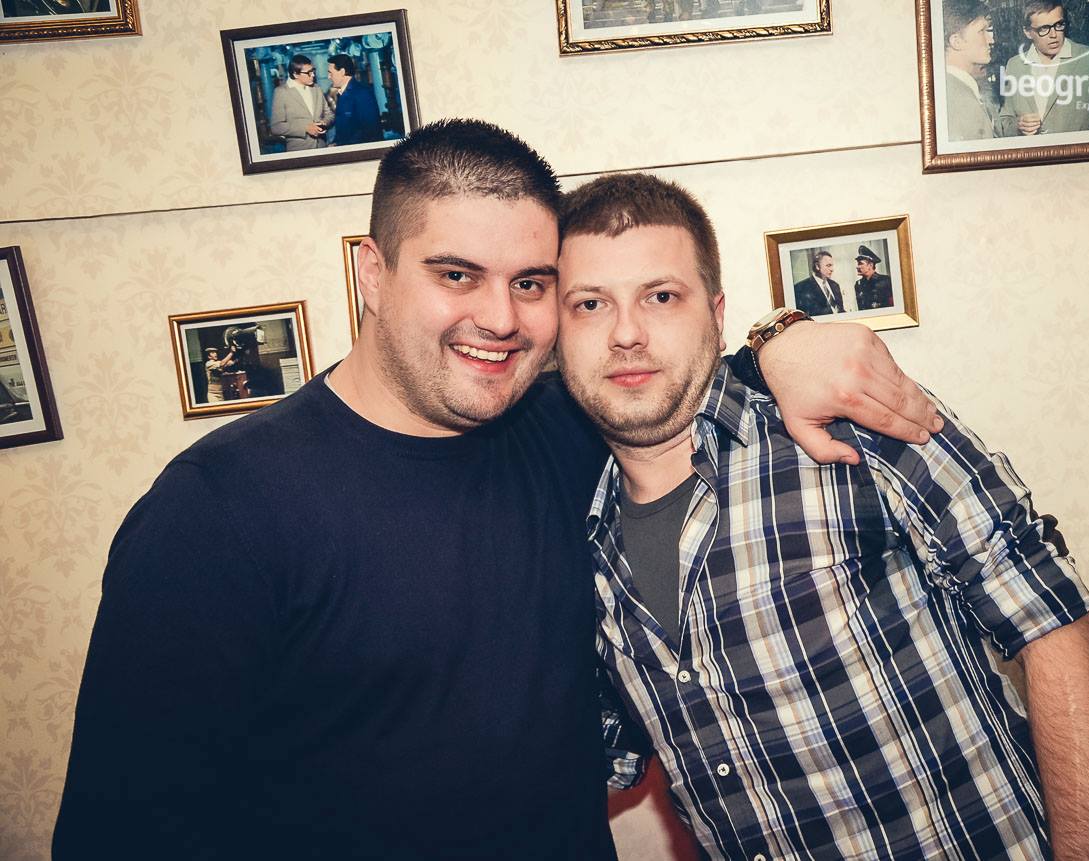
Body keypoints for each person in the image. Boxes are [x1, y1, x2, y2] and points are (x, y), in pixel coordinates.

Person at [52, 119, 942, 860]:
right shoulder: (216, 512)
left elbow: (686, 372)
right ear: (371, 273)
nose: (501, 318)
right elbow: (120, 834)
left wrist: (787, 336)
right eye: (456, 275)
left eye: (531, 284)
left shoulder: (565, 428)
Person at [555, 172, 1089, 860]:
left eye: (661, 296)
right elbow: (593, 755)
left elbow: (1060, 631)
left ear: (716, 311)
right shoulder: (574, 539)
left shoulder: (852, 424)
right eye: (590, 304)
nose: (625, 333)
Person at [995, 0, 1089, 137]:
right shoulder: (1015, 65)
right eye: (1043, 29)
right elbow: (1003, 122)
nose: (1054, 35)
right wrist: (1018, 126)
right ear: (1027, 32)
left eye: (1058, 25)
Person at [943, 0, 997, 141]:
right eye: (981, 31)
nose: (991, 40)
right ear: (956, 41)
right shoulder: (960, 100)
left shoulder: (952, 88)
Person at [269, 54, 332, 151]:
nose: (313, 75)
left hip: (322, 147)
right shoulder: (281, 92)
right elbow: (276, 127)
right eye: (308, 73)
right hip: (300, 150)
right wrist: (305, 128)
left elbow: (329, 114)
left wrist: (324, 122)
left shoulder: (316, 88)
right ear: (295, 74)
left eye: (313, 71)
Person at [327, 53, 383, 147]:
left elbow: (370, 131)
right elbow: (342, 128)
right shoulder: (341, 93)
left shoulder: (362, 93)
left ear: (342, 72)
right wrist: (335, 142)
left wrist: (341, 145)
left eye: (330, 73)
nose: (328, 77)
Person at [791, 249, 845, 316]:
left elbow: (840, 310)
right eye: (828, 265)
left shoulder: (835, 285)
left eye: (832, 265)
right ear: (817, 266)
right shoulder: (801, 288)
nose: (832, 269)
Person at [852, 244, 893, 310]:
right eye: (858, 264)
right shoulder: (858, 284)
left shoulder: (885, 280)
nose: (857, 267)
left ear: (870, 265)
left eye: (860, 263)